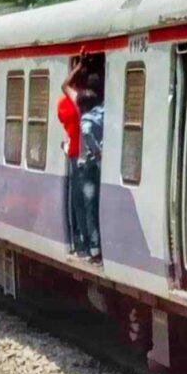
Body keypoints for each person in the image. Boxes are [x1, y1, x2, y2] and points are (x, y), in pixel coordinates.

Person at [59, 57, 86, 254]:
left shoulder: (65, 103)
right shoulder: (91, 101)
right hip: (90, 153)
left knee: (78, 199)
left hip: (75, 153)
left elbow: (64, 86)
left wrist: (77, 66)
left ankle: (81, 239)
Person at [76, 85, 104, 263]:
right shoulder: (103, 112)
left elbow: (86, 132)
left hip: (90, 167)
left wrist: (96, 150)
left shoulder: (86, 118)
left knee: (90, 207)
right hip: (103, 167)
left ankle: (94, 249)